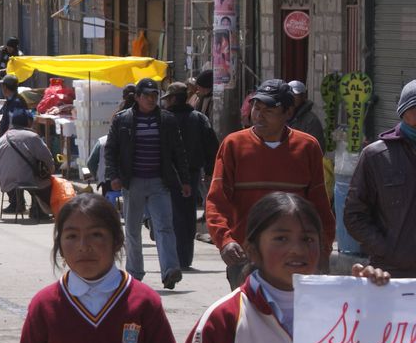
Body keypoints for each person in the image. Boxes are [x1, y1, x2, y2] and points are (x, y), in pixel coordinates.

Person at [181, 193, 391, 343]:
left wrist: (374, 301)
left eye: (307, 239)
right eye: (281, 238)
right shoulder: (224, 319)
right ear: (252, 250)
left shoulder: (347, 308)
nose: (297, 250)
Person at [205, 79, 335, 289]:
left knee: (291, 319)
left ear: (287, 113)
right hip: (246, 255)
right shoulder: (234, 145)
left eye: (269, 109)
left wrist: (323, 249)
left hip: (295, 255)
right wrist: (225, 240)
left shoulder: (307, 147)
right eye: (256, 107)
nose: (259, 114)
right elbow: (216, 201)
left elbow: (320, 207)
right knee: (250, 317)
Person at [13, 193, 177, 343]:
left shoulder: (144, 302)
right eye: (72, 236)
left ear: (117, 241)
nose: (83, 246)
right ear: (60, 246)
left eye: (96, 234)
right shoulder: (45, 305)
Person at [104, 78, 189, 290]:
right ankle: (134, 273)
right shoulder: (122, 120)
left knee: (164, 227)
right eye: (147, 96)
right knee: (132, 230)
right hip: (132, 183)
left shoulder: (167, 120)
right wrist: (113, 176)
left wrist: (185, 180)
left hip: (160, 182)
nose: (151, 99)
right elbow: (111, 150)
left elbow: (179, 152)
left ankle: (170, 271)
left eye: (154, 96)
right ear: (138, 97)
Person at [343, 79, 416, 277]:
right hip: (390, 275)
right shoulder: (376, 156)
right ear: (403, 112)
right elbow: (354, 215)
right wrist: (387, 250)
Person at [161, 82, 218, 269]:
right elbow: (212, 147)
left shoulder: (165, 119)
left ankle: (175, 258)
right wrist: (210, 171)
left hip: (168, 175)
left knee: (171, 216)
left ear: (174, 98)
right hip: (192, 174)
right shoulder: (199, 119)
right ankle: (185, 258)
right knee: (186, 214)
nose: (166, 103)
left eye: (168, 99)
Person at [0, 112, 54, 219]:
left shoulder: (3, 137)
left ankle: (17, 204)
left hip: (4, 179)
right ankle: (39, 210)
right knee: (47, 182)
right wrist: (50, 172)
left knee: (19, 171)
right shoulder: (32, 136)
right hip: (25, 179)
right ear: (29, 122)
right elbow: (47, 158)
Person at [286, 80, 325, 149]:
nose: (291, 97)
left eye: (295, 94)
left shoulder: (311, 120)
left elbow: (317, 147)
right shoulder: (281, 115)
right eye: (289, 94)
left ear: (303, 96)